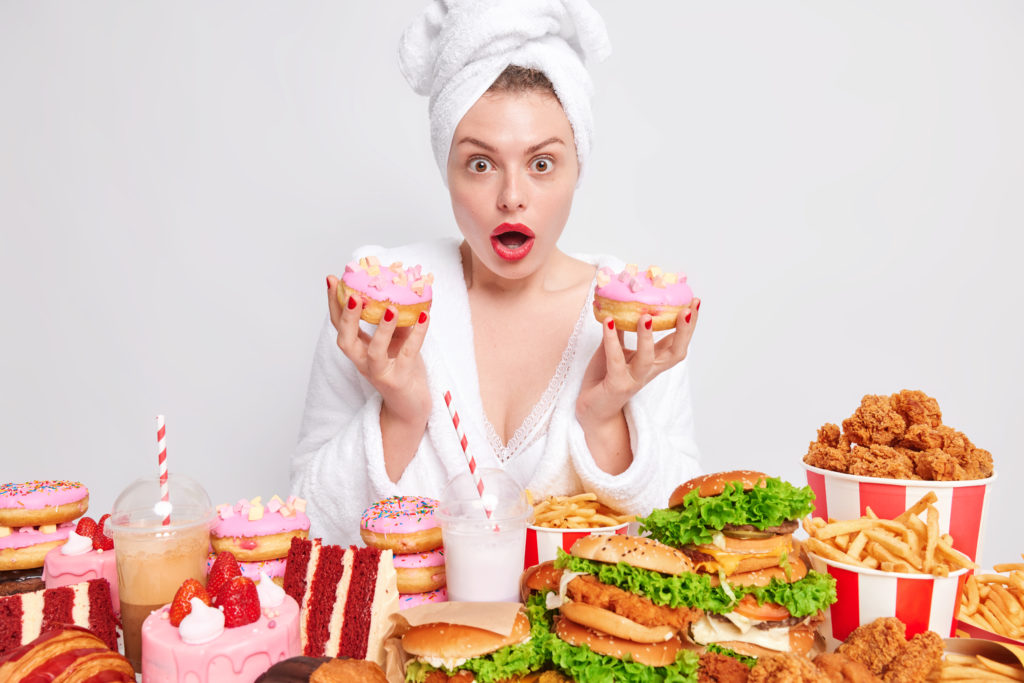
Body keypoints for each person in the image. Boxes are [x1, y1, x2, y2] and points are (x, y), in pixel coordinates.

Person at [291, 0, 702, 545]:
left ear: (579, 165)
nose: (512, 197)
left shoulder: (637, 326)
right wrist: (401, 417)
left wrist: (605, 422)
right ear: (447, 169)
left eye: (541, 163)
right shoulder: (379, 314)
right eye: (480, 164)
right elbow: (307, 528)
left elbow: (692, 541)